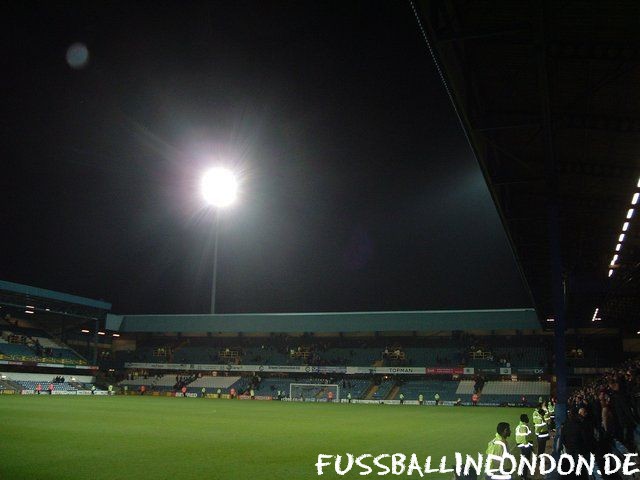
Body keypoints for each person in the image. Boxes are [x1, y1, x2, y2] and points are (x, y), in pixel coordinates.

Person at [515, 414, 533, 480]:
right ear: (524, 419)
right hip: (525, 447)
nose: (528, 418)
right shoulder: (523, 427)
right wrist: (530, 447)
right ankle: (524, 477)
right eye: (527, 417)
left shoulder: (522, 426)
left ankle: (523, 475)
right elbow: (525, 439)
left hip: (523, 446)